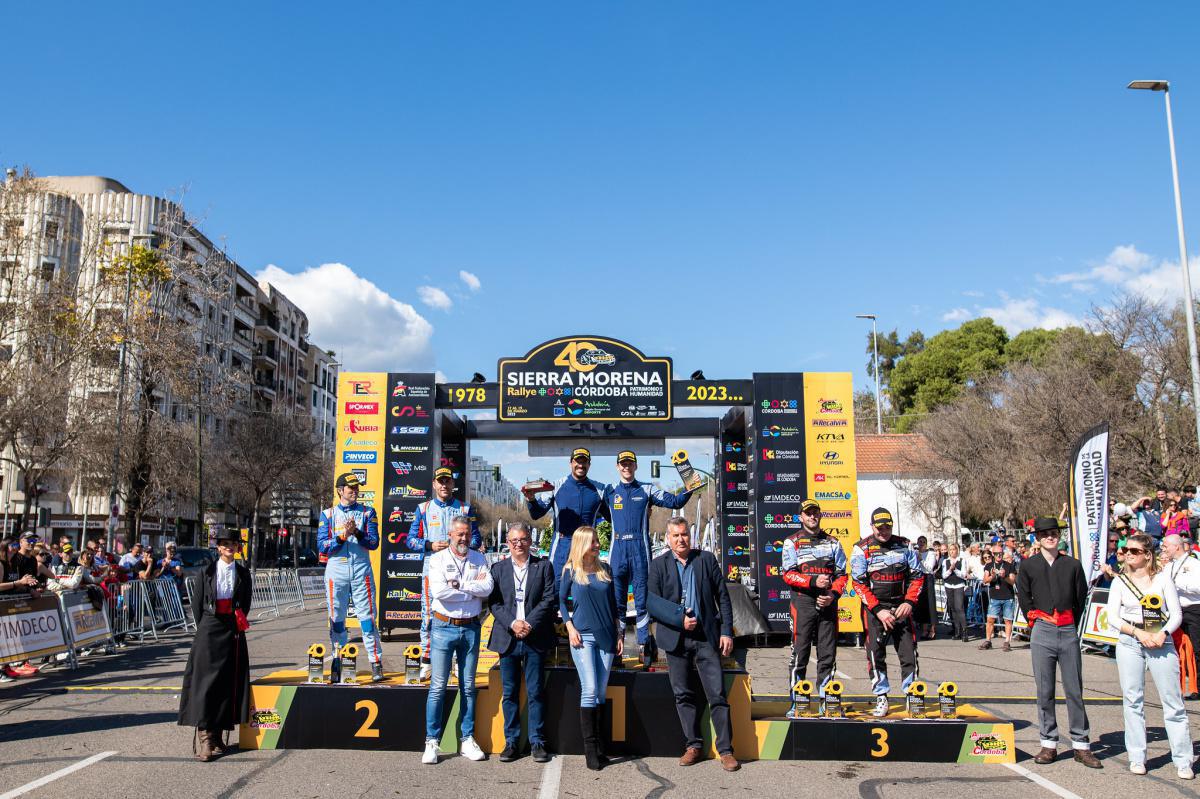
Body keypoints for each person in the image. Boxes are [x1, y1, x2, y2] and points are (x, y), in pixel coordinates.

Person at [648, 516, 739, 772]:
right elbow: (651, 603)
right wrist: (680, 620)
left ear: (691, 536)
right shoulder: (658, 565)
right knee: (683, 695)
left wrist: (726, 631)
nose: (680, 539)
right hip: (675, 639)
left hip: (705, 637)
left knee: (717, 695)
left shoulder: (706, 559)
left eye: (684, 534)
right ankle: (693, 745)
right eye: (675, 535)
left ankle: (726, 750)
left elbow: (722, 597)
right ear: (668, 538)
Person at [1104, 533, 1194, 779]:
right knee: (1133, 701)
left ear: (1147, 554)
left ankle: (1183, 760)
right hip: (1130, 641)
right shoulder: (1119, 582)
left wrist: (1162, 634)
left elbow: (1175, 614)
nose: (1128, 554)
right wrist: (1137, 633)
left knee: (1173, 703)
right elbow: (1113, 617)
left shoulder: (1162, 579)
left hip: (1159, 640)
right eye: (1126, 550)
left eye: (1134, 550)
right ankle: (1137, 756)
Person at [1016, 517, 1100, 768]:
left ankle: (1081, 745)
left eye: (1053, 532)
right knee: (1045, 690)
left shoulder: (1072, 565)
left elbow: (1080, 597)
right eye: (1044, 534)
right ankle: (1048, 743)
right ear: (1037, 538)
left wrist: (1068, 620)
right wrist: (1037, 621)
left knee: (1074, 689)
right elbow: (1024, 597)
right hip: (1042, 629)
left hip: (1067, 629)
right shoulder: (1029, 566)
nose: (1050, 537)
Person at [601, 450, 693, 659]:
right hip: (617, 552)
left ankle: (644, 646)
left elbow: (675, 502)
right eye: (622, 464)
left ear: (635, 466)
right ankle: (617, 647)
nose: (626, 467)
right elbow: (593, 509)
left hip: (640, 552)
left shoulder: (647, 488)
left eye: (630, 464)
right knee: (617, 603)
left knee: (642, 601)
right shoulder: (609, 491)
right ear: (617, 467)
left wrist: (689, 484)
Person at [422, 516, 493, 765]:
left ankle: (467, 739)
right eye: (459, 534)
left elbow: (488, 588)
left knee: (468, 686)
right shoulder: (437, 559)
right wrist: (471, 590)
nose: (463, 538)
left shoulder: (478, 557)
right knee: (438, 686)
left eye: (467, 533)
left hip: (471, 627)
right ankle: (432, 741)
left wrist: (461, 585)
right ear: (450, 534)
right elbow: (439, 592)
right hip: (443, 626)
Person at [178, 533, 251, 762]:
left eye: (234, 544)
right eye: (226, 544)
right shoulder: (206, 571)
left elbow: (246, 602)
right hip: (210, 626)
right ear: (219, 548)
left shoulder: (243, 573)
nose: (230, 548)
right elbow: (198, 605)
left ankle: (219, 733)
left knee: (227, 681)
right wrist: (208, 625)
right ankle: (205, 737)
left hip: (232, 627)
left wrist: (234, 621)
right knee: (205, 682)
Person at [487, 522, 556, 763]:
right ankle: (512, 742)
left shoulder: (544, 566)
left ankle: (537, 741)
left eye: (523, 539)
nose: (519, 544)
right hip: (508, 637)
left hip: (534, 636)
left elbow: (549, 599)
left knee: (536, 691)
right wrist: (513, 624)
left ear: (530, 541)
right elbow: (494, 604)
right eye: (514, 541)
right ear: (507, 542)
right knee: (510, 693)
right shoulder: (497, 569)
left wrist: (528, 623)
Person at [558, 525, 622, 771]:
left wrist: (619, 633)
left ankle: (600, 748)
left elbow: (614, 605)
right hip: (582, 636)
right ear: (582, 544)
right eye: (593, 541)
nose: (597, 545)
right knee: (590, 688)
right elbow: (561, 601)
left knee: (601, 692)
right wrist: (570, 627)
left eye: (597, 541)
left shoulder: (606, 569)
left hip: (607, 636)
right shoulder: (570, 571)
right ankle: (590, 750)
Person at [409, 467, 482, 679]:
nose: (444, 485)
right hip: (432, 569)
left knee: (460, 613)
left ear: (452, 484)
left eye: (447, 481)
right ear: (434, 484)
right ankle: (427, 660)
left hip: (460, 567)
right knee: (428, 615)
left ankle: (458, 663)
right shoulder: (423, 509)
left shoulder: (465, 508)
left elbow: (476, 540)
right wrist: (430, 545)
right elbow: (410, 540)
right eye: (440, 481)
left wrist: (458, 545)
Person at [852, 507, 924, 717]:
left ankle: (912, 694)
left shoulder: (905, 545)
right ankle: (881, 695)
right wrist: (878, 610)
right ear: (872, 526)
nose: (883, 530)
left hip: (902, 607)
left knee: (909, 652)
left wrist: (910, 602)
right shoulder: (861, 548)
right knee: (875, 652)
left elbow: (918, 576)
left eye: (887, 526)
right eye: (879, 526)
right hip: (875, 610)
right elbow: (858, 583)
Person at [318, 472, 383, 682]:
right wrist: (342, 537)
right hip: (336, 570)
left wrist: (357, 533)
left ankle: (375, 662)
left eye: (357, 487)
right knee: (336, 618)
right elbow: (322, 546)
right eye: (350, 487)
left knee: (367, 618)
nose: (355, 491)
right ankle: (339, 661)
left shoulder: (367, 512)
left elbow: (373, 542)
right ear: (340, 490)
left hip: (361, 569)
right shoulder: (327, 515)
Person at [781, 499, 847, 701]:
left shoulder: (833, 542)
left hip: (827, 602)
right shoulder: (791, 542)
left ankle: (827, 699)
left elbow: (842, 575)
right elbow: (788, 574)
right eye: (807, 513)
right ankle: (798, 699)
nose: (812, 516)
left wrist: (832, 595)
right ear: (800, 517)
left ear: (820, 515)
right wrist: (812, 581)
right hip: (803, 602)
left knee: (828, 653)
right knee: (800, 653)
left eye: (815, 512)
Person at [524, 448, 609, 590]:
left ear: (589, 464)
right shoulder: (555, 486)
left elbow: (614, 517)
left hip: (587, 547)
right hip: (562, 547)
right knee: (555, 588)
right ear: (571, 463)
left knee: (586, 589)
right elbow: (536, 514)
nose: (581, 465)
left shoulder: (599, 489)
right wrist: (531, 499)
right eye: (577, 461)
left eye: (584, 462)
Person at [1161, 533, 1200, 700]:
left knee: (1197, 649)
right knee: (1177, 650)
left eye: (1165, 546)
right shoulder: (1169, 566)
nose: (1163, 549)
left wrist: (1179, 585)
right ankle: (1178, 685)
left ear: (1176, 547)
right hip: (1176, 611)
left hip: (1193, 610)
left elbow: (1198, 587)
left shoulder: (1193, 564)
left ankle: (1197, 687)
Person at [981, 542, 1018, 651]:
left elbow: (1012, 581)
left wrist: (1004, 576)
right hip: (995, 597)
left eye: (1000, 553)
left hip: (1007, 596)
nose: (999, 555)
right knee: (990, 619)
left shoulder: (1009, 566)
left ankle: (1007, 641)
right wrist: (992, 577)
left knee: (1007, 620)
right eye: (996, 554)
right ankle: (988, 640)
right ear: (993, 554)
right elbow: (985, 580)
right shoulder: (989, 565)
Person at [941, 543, 969, 641]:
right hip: (949, 585)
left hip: (959, 585)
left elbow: (964, 574)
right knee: (953, 608)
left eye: (954, 549)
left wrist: (955, 569)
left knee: (959, 608)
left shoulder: (962, 560)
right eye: (951, 549)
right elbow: (944, 575)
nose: (952, 551)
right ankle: (957, 631)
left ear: (957, 550)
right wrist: (950, 570)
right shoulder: (945, 561)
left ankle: (965, 631)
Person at [922, 541, 943, 639]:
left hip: (928, 578)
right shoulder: (916, 553)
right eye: (919, 541)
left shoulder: (931, 554)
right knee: (922, 606)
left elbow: (930, 568)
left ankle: (932, 630)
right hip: (919, 578)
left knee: (931, 605)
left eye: (923, 542)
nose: (921, 543)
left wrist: (920, 560)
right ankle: (924, 629)